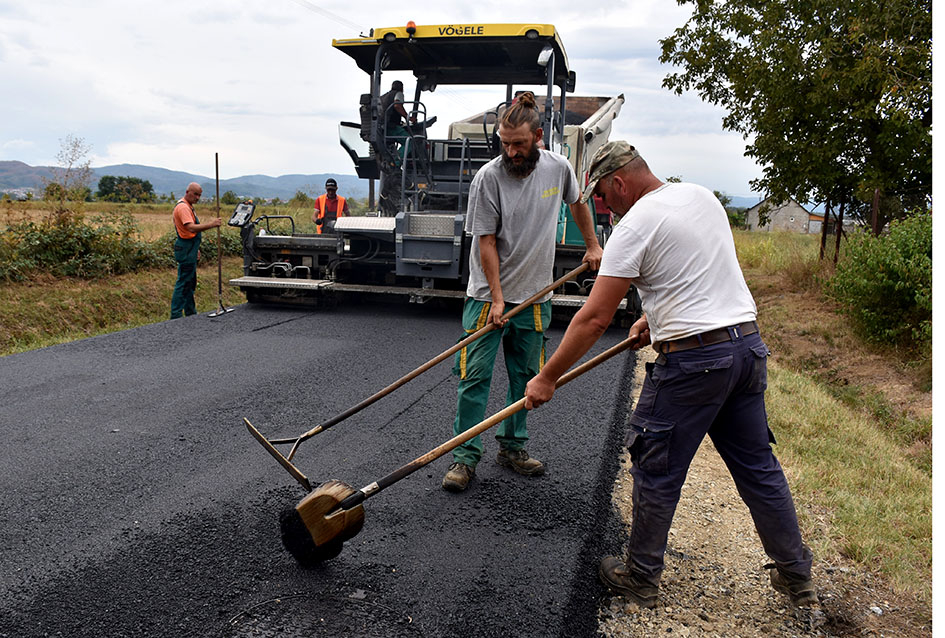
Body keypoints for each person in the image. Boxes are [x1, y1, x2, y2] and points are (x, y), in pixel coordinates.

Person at [523, 141, 815, 609]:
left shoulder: (633, 225)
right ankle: (797, 575)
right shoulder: (700, 197)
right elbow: (695, 277)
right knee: (759, 467)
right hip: (745, 349)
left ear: (619, 182)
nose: (602, 205)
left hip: (695, 366)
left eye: (602, 195)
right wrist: (654, 320)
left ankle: (640, 576)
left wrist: (547, 378)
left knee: (656, 467)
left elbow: (593, 318)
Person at [441, 91, 604, 492]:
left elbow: (578, 203)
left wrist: (593, 244)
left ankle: (512, 446)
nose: (511, 152)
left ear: (538, 136)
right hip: (486, 297)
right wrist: (497, 298)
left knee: (526, 376)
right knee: (474, 376)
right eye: (505, 143)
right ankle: (464, 456)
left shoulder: (558, 168)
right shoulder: (488, 178)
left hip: (535, 295)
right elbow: (486, 244)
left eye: (519, 144)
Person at [170, 182, 222, 319]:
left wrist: (196, 249)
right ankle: (175, 316)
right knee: (183, 282)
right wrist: (212, 224)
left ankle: (190, 313)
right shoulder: (183, 208)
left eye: (199, 195)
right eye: (195, 194)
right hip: (186, 248)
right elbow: (191, 228)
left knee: (190, 282)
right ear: (188, 192)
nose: (197, 197)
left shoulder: (188, 206)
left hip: (190, 248)